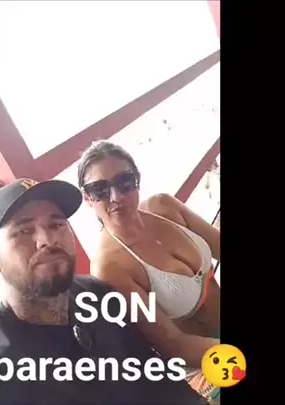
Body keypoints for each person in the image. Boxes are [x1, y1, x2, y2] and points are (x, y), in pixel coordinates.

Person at [0, 178, 206, 405]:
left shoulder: (97, 295)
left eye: (56, 224)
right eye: (24, 230)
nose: (48, 240)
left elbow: (160, 384)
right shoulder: (2, 370)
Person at [76, 141, 223, 403]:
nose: (116, 197)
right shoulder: (109, 267)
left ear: (137, 180)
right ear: (87, 198)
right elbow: (174, 344)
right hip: (205, 363)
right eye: (100, 189)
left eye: (124, 182)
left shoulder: (165, 207)